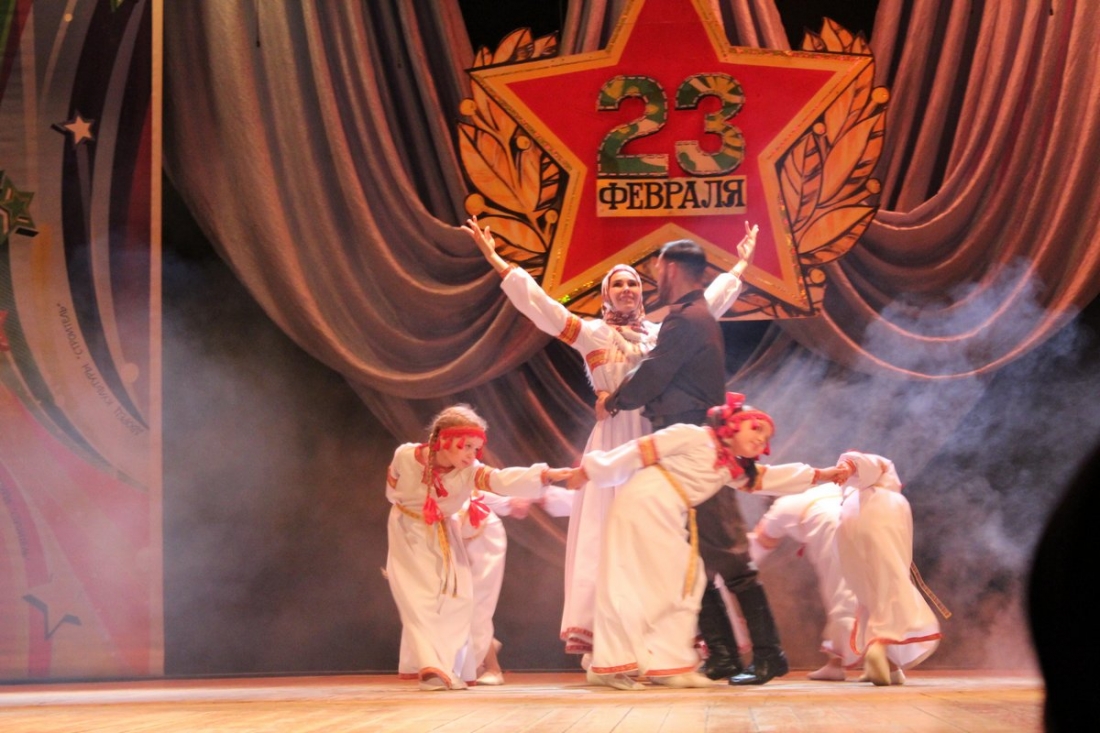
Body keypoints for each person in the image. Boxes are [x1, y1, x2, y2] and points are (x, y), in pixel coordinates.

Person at [462, 215, 757, 664]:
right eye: (618, 284)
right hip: (612, 439)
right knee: (606, 534)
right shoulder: (590, 334)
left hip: (655, 437)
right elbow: (542, 307)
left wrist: (740, 267)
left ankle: (667, 636)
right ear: (605, 295)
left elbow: (709, 306)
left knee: (661, 534)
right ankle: (606, 639)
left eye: (634, 283)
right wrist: (499, 262)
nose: (627, 289)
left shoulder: (661, 332)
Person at [563, 393, 850, 690]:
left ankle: (666, 664)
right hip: (645, 506)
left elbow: (767, 477)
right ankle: (628, 664)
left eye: (766, 438)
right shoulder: (694, 436)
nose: (760, 440)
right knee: (665, 584)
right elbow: (638, 450)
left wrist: (822, 475)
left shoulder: (728, 466)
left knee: (684, 585)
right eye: (756, 429)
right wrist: (589, 471)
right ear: (731, 425)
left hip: (666, 511)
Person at [598, 236, 784, 685]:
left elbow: (655, 372)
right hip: (684, 445)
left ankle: (768, 653)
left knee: (726, 550)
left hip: (697, 449)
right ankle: (722, 654)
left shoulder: (686, 319)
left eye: (657, 268)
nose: (653, 278)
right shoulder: (691, 316)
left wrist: (614, 400)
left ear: (672, 269)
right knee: (690, 551)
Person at [385, 404, 570, 691]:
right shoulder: (405, 455)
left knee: (460, 601)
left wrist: (545, 476)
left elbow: (499, 479)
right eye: (466, 446)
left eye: (476, 448)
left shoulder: (468, 472)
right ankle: (432, 667)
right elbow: (392, 490)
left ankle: (446, 667)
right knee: (419, 598)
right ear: (443, 440)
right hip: (407, 530)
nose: (472, 454)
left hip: (444, 531)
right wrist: (416, 508)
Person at [834, 451, 942, 686]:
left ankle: (888, 665)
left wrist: (848, 468)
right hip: (881, 517)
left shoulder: (852, 496)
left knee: (870, 594)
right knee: (893, 588)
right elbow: (864, 461)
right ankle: (879, 644)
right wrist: (850, 465)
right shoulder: (884, 482)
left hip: (849, 524)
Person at [749, 482, 860, 681]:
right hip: (866, 523)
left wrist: (728, 569)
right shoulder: (825, 488)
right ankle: (839, 663)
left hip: (833, 530)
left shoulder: (781, 506)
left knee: (840, 596)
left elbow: (756, 549)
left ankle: (878, 659)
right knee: (871, 589)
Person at [458, 489, 535, 686]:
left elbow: (471, 485)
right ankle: (483, 648)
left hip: (480, 535)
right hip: (454, 532)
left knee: (475, 604)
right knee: (455, 603)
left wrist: (507, 503)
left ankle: (492, 667)